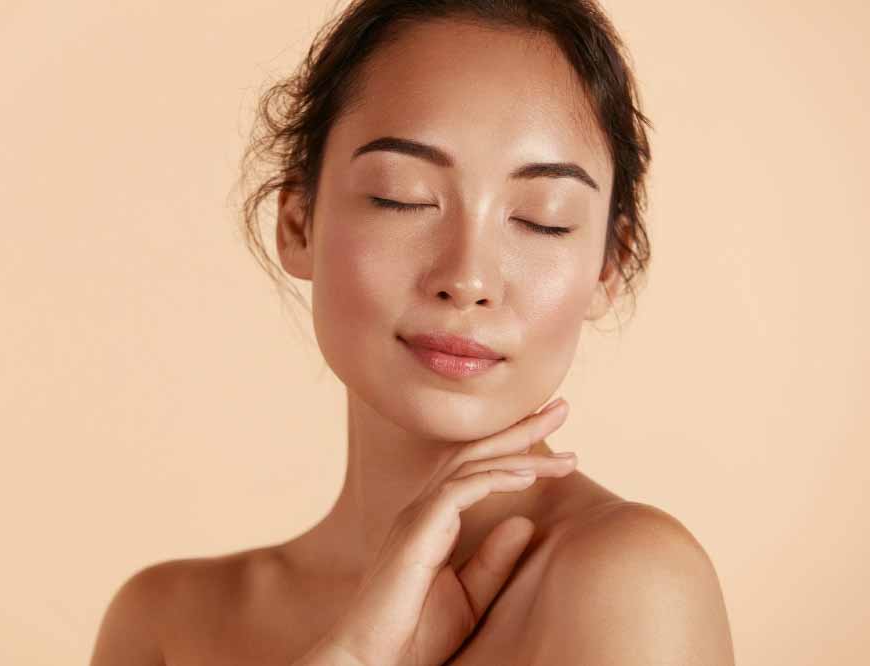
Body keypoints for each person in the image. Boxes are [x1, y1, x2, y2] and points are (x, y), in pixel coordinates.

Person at [90, 1, 736, 664]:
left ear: (608, 267)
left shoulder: (635, 584)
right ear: (299, 223)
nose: (468, 278)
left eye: (544, 219)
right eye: (401, 197)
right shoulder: (166, 623)